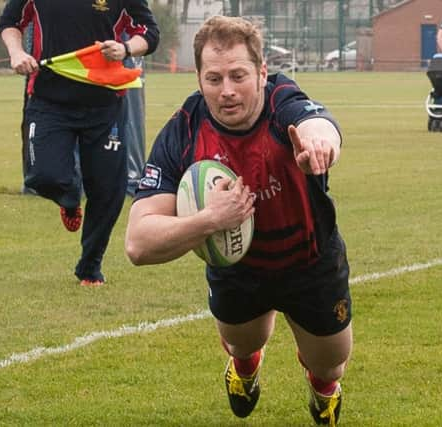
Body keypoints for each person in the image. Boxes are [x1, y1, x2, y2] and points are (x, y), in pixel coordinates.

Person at [125, 16, 352, 426]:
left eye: (238, 76)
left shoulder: (283, 101)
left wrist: (321, 145)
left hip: (310, 262)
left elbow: (318, 124)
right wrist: (210, 220)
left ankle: (323, 391)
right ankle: (245, 370)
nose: (227, 91)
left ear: (262, 73)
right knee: (242, 343)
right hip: (237, 268)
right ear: (198, 78)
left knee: (331, 364)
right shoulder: (184, 131)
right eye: (213, 78)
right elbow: (138, 244)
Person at [0, 0, 159, 287]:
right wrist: (16, 52)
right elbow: (10, 21)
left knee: (108, 190)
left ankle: (90, 268)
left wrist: (125, 49)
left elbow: (149, 33)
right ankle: (70, 197)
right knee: (43, 177)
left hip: (105, 103)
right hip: (49, 100)